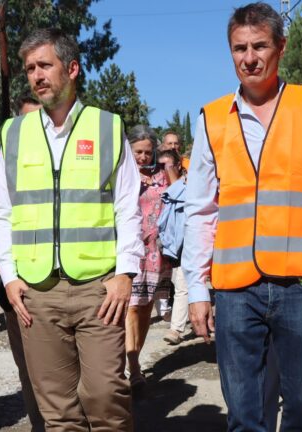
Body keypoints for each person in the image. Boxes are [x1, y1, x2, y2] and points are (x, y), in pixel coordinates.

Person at [183, 3, 302, 430]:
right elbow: (201, 210)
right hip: (234, 289)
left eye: (259, 45)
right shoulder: (212, 119)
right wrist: (196, 289)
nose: (249, 57)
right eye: (239, 48)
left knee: (301, 406)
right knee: (243, 414)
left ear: (281, 47)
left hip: (301, 289)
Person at [0, 28, 142, 431]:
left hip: (99, 287)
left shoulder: (108, 127)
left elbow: (128, 207)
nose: (36, 76)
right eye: (29, 69)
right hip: (36, 292)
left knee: (105, 394)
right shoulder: (14, 133)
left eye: (45, 65)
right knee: (56, 409)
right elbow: (1, 212)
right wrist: (8, 277)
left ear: (72, 68)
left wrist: (125, 273)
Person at [0, 96, 46, 431]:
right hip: (19, 285)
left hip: (67, 283)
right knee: (33, 371)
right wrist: (0, 284)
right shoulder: (2, 160)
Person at [125, 126, 173, 389]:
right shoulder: (120, 176)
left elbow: (179, 197)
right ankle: (132, 368)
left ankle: (136, 359)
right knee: (131, 307)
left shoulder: (162, 175)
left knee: (145, 308)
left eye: (147, 151)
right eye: (138, 152)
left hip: (156, 250)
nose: (142, 157)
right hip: (131, 249)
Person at [156, 149, 189, 345]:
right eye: (161, 167)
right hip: (161, 246)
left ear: (178, 166)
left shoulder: (186, 187)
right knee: (169, 285)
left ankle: (176, 329)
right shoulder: (154, 188)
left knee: (182, 285)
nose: (165, 171)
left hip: (183, 245)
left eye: (169, 166)